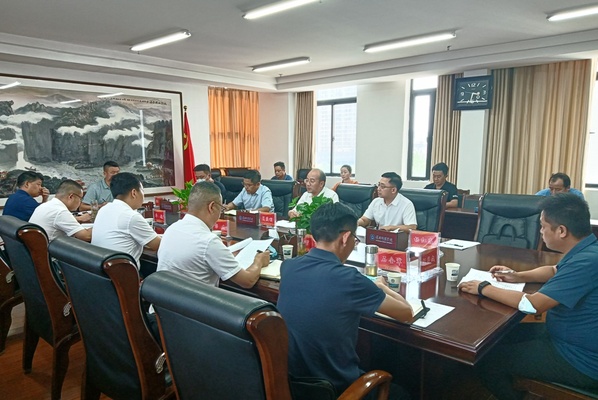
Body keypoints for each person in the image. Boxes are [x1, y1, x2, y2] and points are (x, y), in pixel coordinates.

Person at [459, 193, 598, 399]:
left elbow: (532, 305)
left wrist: (484, 288)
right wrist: (517, 276)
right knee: (498, 339)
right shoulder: (587, 250)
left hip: (581, 358)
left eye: (543, 226)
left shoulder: (586, 262)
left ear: (561, 231)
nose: (540, 232)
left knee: (487, 362)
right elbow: (554, 270)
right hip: (565, 336)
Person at [277, 202, 412, 399]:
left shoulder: (288, 267)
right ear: (346, 237)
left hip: (293, 384)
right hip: (335, 390)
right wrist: (382, 287)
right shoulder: (350, 279)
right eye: (355, 239)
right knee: (403, 394)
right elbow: (406, 313)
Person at [156, 181, 270, 288]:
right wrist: (259, 260)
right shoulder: (208, 241)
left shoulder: (171, 229)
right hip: (195, 302)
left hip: (164, 300)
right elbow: (247, 281)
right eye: (220, 208)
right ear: (212, 207)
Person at [91, 172, 160, 268]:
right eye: (142, 191)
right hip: (123, 274)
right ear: (134, 193)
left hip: (100, 270)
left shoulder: (104, 209)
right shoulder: (131, 217)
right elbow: (158, 245)